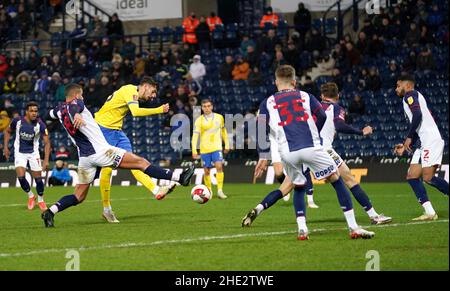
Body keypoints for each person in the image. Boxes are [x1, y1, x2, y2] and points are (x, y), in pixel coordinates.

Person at [242, 65, 374, 240]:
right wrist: (314, 133)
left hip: (288, 152)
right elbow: (322, 116)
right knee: (335, 178)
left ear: (276, 82)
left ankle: (302, 230)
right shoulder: (306, 96)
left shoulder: (267, 102)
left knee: (298, 186)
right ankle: (353, 227)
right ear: (295, 82)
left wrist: (263, 156)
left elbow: (260, 128)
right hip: (311, 146)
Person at [41, 84, 195, 228]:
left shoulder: (59, 110)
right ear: (76, 95)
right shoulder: (77, 104)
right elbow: (75, 106)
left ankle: (50, 212)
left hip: (85, 159)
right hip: (101, 152)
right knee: (141, 162)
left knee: (79, 196)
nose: (83, 98)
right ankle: (179, 178)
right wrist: (76, 115)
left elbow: (46, 115)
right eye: (81, 96)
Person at [94, 77, 173, 223]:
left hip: (117, 131)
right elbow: (135, 112)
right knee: (108, 168)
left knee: (136, 162)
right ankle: (107, 209)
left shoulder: (132, 92)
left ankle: (157, 191)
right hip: (103, 129)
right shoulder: (130, 90)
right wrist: (159, 110)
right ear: (145, 86)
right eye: (153, 91)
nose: (153, 96)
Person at [318, 82, 392, 224]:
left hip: (306, 148)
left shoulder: (313, 107)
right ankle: (373, 216)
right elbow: (339, 125)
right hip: (324, 149)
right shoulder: (336, 107)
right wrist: (361, 132)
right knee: (349, 179)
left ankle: (261, 207)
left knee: (289, 184)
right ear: (338, 96)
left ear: (322, 96)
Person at [393, 74, 448, 221]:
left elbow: (417, 115)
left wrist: (409, 137)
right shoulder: (415, 97)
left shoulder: (410, 95)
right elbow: (419, 123)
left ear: (407, 85)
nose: (396, 89)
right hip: (423, 142)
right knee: (412, 176)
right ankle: (430, 212)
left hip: (430, 140)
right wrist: (407, 145)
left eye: (398, 85)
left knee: (428, 178)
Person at [3, 102, 51, 211]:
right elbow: (7, 131)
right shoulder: (18, 121)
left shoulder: (40, 124)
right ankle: (31, 196)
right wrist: (6, 147)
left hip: (34, 153)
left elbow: (47, 143)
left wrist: (46, 161)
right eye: (32, 111)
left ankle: (40, 200)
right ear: (26, 112)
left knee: (38, 179)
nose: (34, 113)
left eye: (36, 111)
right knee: (21, 177)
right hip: (20, 153)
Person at [192, 99, 230, 199]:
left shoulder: (219, 117)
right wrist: (194, 150)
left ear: (212, 107)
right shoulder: (199, 120)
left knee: (219, 166)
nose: (207, 108)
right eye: (205, 106)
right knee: (207, 171)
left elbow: (224, 132)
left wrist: (227, 145)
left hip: (217, 148)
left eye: (209, 106)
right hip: (204, 149)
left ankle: (220, 190)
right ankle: (209, 191)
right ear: (202, 108)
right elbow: (195, 136)